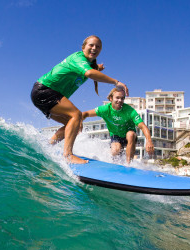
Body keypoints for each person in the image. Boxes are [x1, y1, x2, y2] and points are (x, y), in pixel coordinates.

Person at [31, 35, 128, 164]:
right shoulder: (78, 58)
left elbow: (92, 69)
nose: (94, 48)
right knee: (76, 115)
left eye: (98, 47)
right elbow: (89, 73)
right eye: (91, 45)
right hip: (45, 90)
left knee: (75, 125)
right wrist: (116, 82)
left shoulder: (88, 63)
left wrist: (98, 67)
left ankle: (48, 146)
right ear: (83, 47)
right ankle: (68, 155)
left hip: (46, 94)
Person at [82, 88, 154, 163]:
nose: (120, 100)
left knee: (131, 134)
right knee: (115, 150)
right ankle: (115, 164)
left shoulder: (129, 111)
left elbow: (143, 126)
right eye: (117, 98)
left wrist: (149, 141)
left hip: (129, 136)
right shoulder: (105, 109)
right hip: (116, 136)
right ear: (111, 98)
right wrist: (80, 121)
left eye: (122, 98)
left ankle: (129, 164)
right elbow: (85, 113)